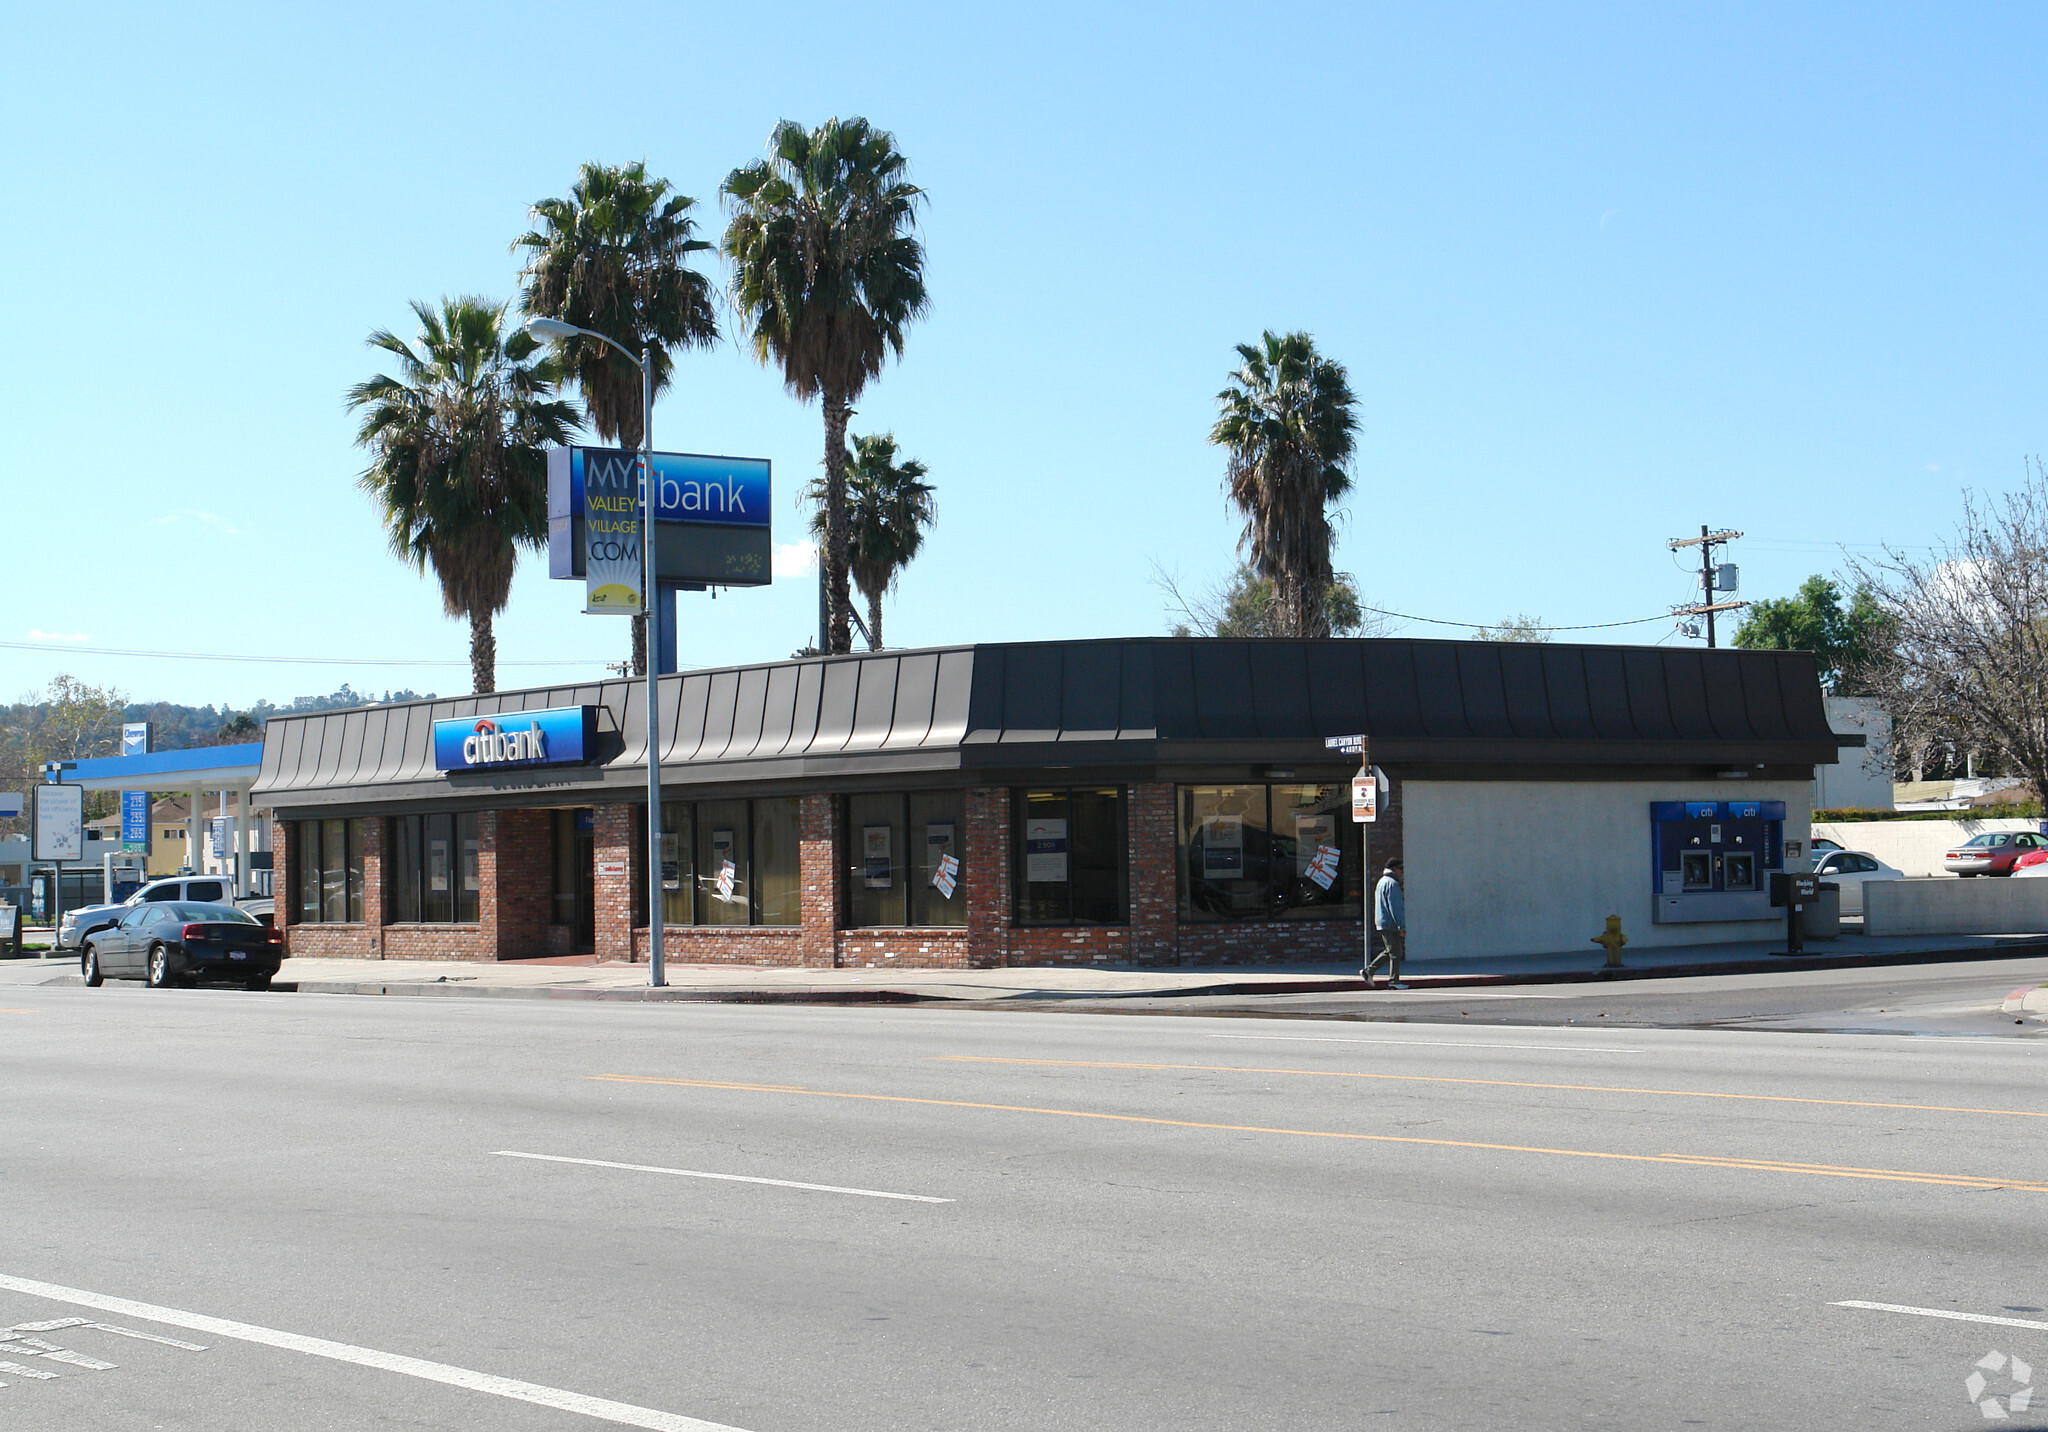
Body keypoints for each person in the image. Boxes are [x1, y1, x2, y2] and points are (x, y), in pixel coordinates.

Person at [1366, 858, 1406, 988]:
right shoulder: (1392, 884)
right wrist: (1401, 925)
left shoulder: (1382, 882)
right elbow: (1395, 907)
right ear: (1394, 869)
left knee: (1392, 950)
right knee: (1396, 953)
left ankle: (1369, 971)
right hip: (1390, 922)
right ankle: (1393, 981)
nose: (1402, 872)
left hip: (1382, 921)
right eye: (1401, 869)